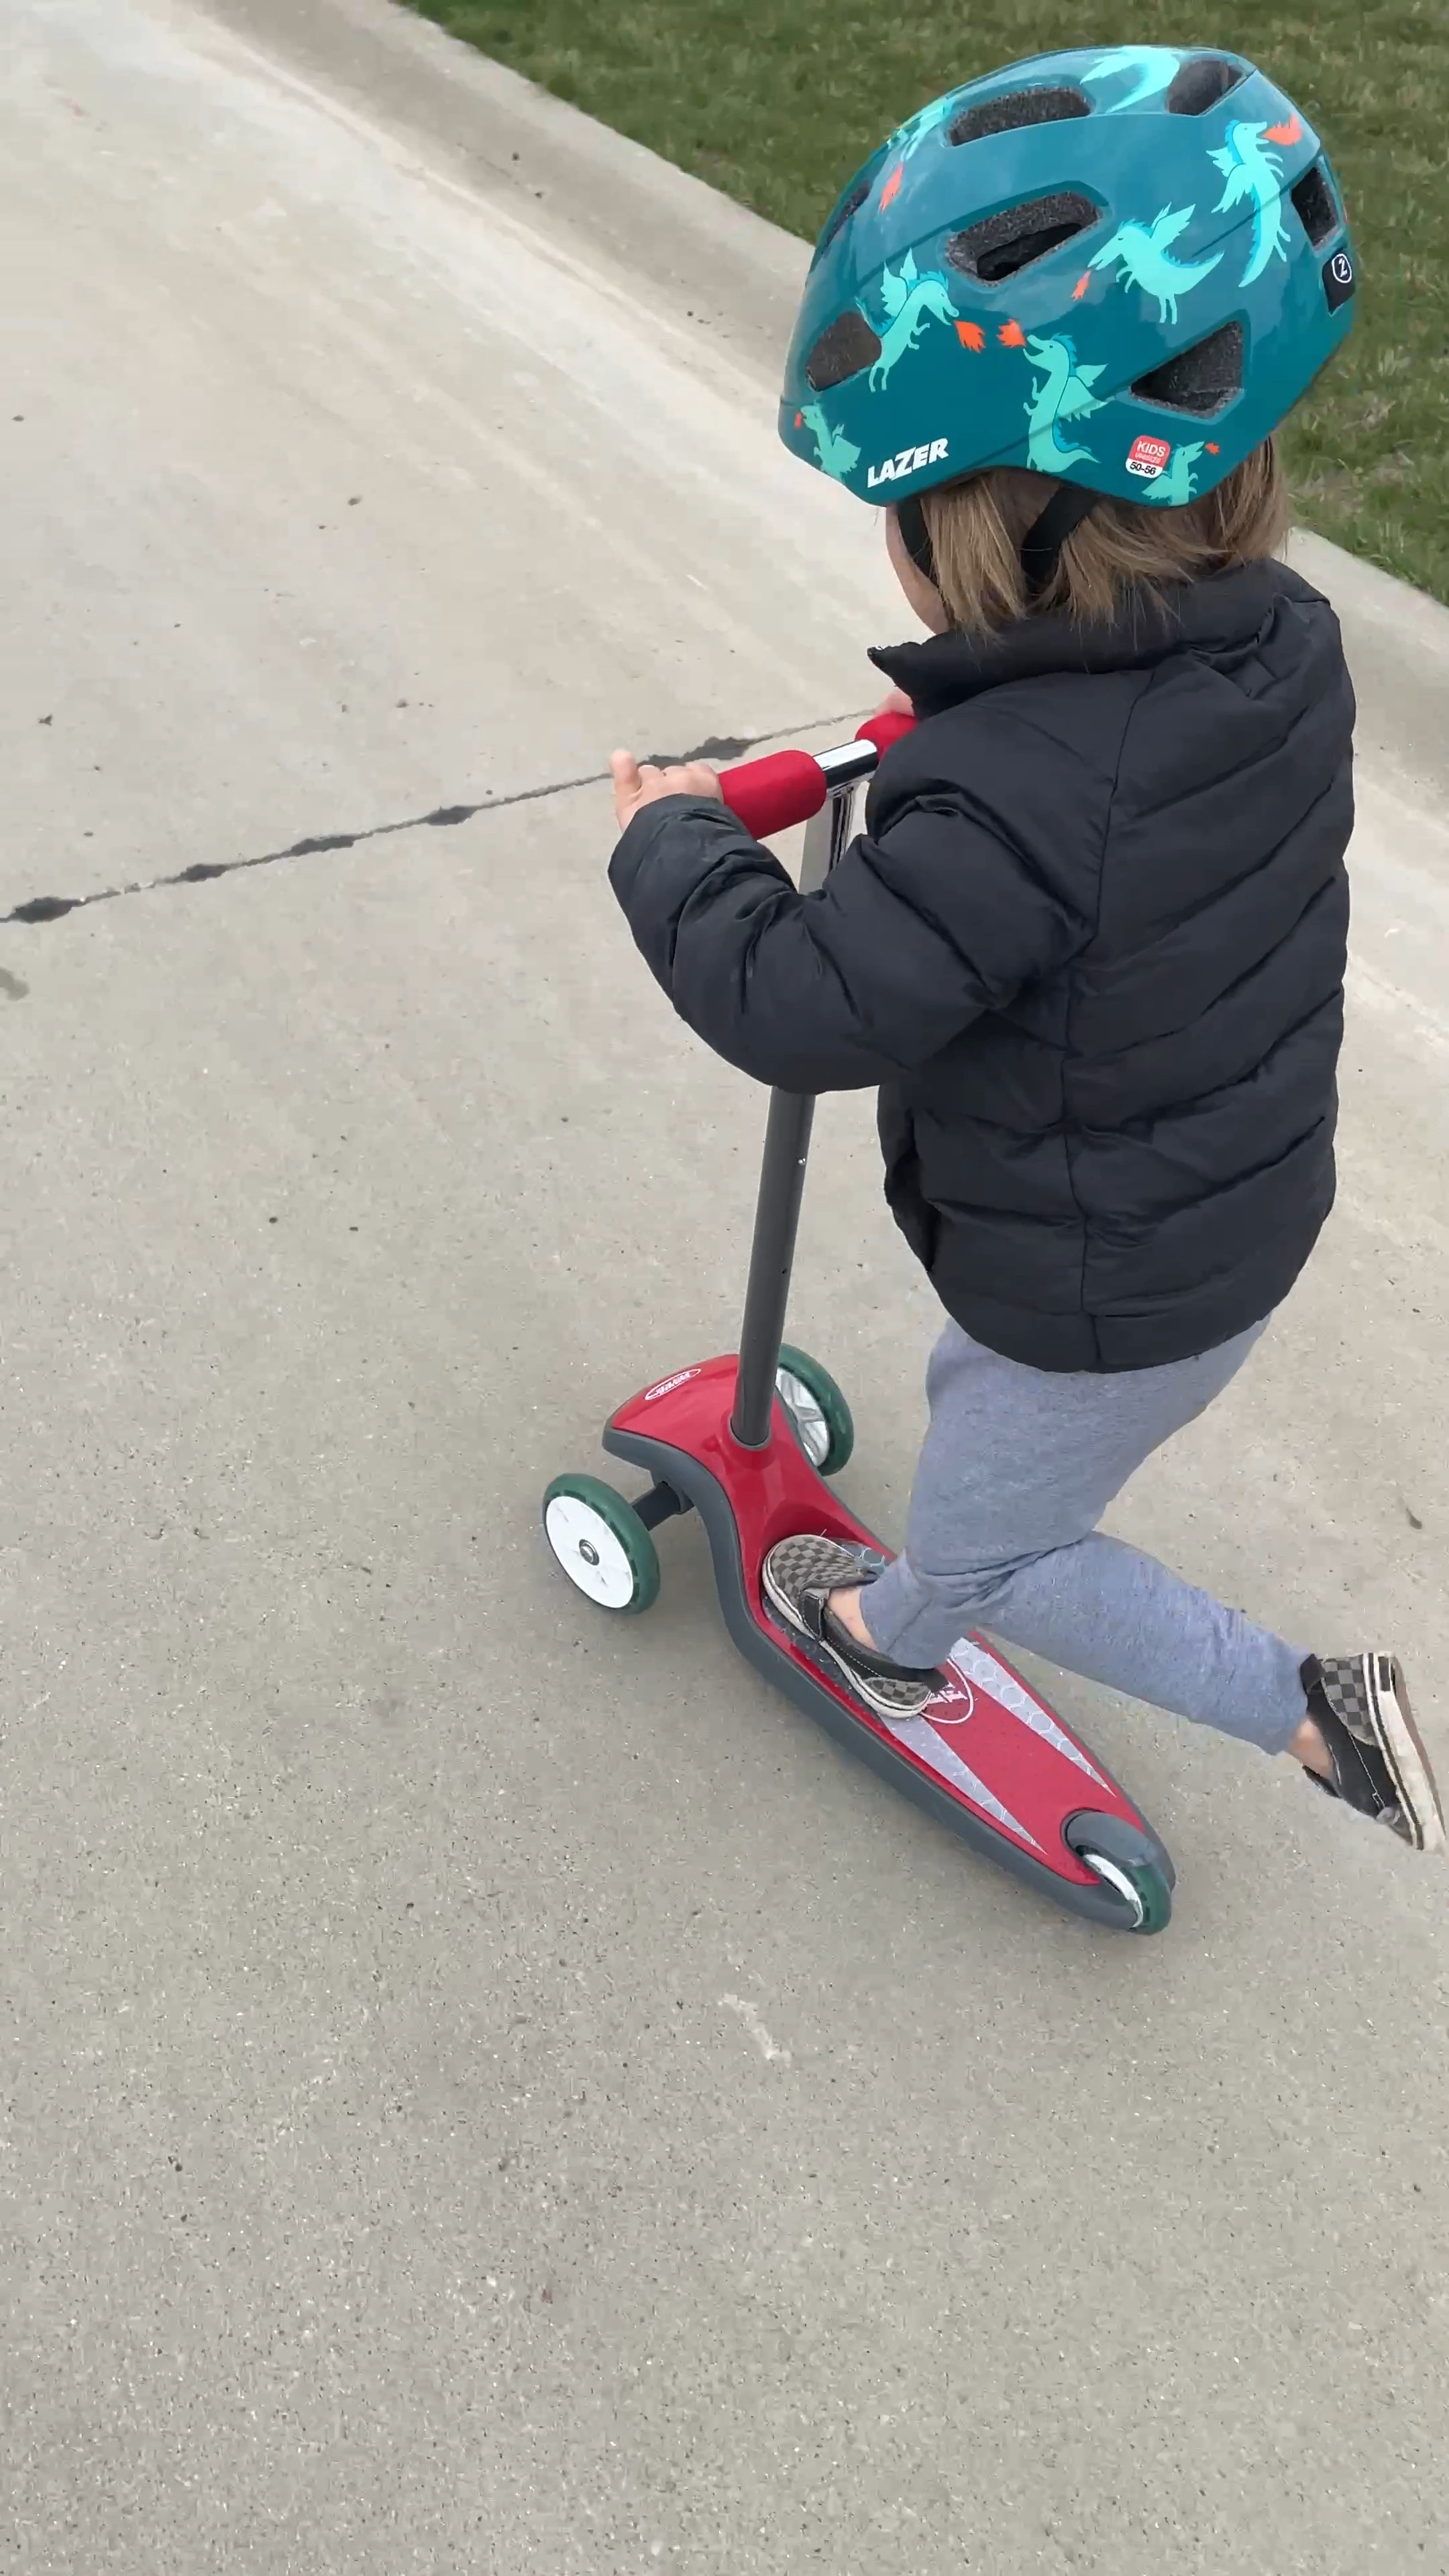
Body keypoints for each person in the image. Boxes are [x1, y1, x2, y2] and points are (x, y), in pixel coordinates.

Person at [606, 48, 1444, 1856]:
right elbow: (1102, 796)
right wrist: (961, 730)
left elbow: (800, 1000)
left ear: (986, 525)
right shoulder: (1277, 650)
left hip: (1089, 1296)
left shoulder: (1010, 810)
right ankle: (939, 1595)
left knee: (1008, 1551)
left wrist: (669, 833)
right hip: (1222, 1215)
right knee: (993, 1464)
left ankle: (1291, 1713)